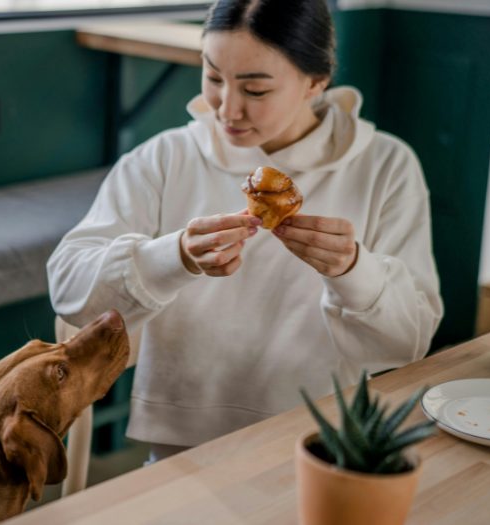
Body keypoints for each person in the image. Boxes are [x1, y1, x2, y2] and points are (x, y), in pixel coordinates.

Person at [47, 0, 443, 462]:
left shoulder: (386, 166)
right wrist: (172, 257)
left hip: (325, 446)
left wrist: (355, 271)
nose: (227, 109)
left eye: (255, 90)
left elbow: (410, 342)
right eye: (213, 77)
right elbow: (69, 288)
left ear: (316, 82)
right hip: (183, 445)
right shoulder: (162, 159)